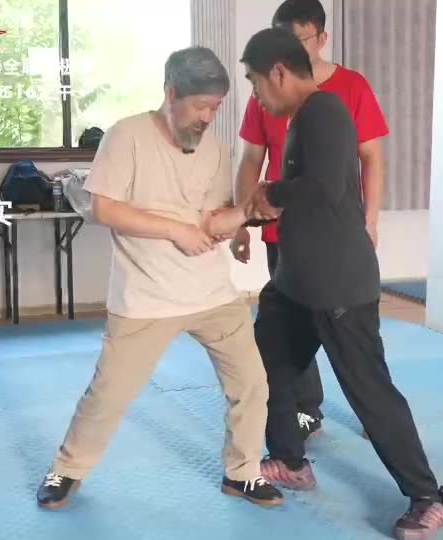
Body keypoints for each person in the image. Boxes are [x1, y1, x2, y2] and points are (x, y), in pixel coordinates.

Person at [207, 28, 443, 540]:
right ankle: (290, 461)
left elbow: (324, 187)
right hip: (296, 282)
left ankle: (428, 496)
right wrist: (257, 210)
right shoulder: (302, 117)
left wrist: (270, 194)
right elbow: (302, 194)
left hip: (339, 285)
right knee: (265, 365)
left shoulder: (326, 111)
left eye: (254, 81)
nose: (256, 94)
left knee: (369, 392)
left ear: (278, 72)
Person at [35, 46, 283, 510]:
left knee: (252, 384)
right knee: (109, 394)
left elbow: (210, 220)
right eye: (200, 106)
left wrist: (248, 213)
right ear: (171, 93)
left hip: (212, 293)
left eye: (215, 108)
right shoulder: (126, 136)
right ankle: (67, 469)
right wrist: (175, 230)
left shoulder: (215, 149)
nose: (207, 117)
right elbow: (104, 208)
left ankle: (243, 472)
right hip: (145, 296)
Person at [231, 0, 389, 440]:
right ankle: (301, 415)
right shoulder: (265, 89)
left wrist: (371, 219)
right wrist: (243, 222)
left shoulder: (349, 89)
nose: (289, 47)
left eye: (298, 38)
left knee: (350, 337)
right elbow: (251, 160)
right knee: (286, 328)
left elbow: (371, 157)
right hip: (282, 230)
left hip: (335, 236)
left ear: (321, 38)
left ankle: (375, 418)